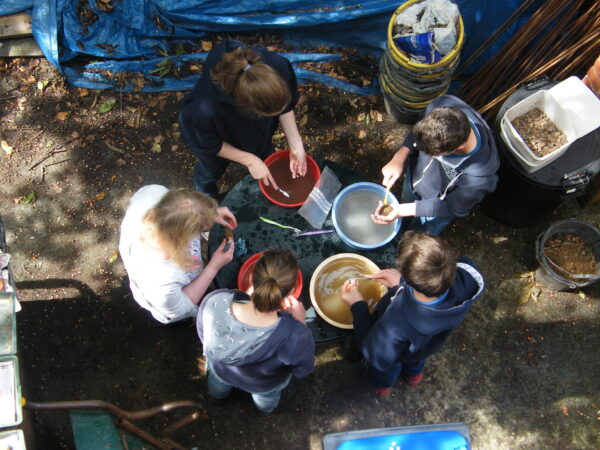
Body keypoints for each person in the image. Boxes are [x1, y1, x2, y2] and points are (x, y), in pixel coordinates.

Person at [340, 231, 484, 395]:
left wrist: (357, 304)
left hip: (397, 353)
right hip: (427, 344)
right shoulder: (467, 278)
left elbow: (376, 353)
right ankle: (414, 376)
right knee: (417, 358)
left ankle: (383, 386)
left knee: (388, 368)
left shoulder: (399, 322)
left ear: (410, 278)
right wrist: (402, 283)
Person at [179, 38, 307, 199]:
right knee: (210, 169)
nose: (279, 113)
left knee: (265, 156)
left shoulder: (277, 66)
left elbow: (286, 108)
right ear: (248, 110)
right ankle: (205, 193)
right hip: (217, 140)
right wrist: (249, 160)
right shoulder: (204, 109)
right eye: (271, 114)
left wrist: (295, 144)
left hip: (256, 135)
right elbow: (208, 143)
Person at [197, 248, 314, 414]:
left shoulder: (215, 300)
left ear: (251, 277)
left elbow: (203, 334)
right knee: (266, 399)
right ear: (290, 293)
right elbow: (303, 371)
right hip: (263, 385)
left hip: (222, 371)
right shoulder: (296, 336)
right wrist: (300, 323)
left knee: (218, 386)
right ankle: (263, 411)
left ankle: (216, 398)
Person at [372, 95, 500, 235]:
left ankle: (409, 235)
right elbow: (419, 130)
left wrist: (402, 210)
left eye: (431, 153)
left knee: (418, 233)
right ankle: (403, 224)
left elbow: (452, 207)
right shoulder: (442, 106)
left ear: (458, 148)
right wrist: (399, 157)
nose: (419, 148)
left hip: (437, 205)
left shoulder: (478, 179)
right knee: (407, 203)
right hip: (415, 179)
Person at [119, 185, 237, 324]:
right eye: (199, 228)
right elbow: (182, 306)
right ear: (180, 241)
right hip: (171, 306)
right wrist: (213, 267)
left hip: (184, 273)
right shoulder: (160, 282)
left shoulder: (154, 193)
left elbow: (182, 212)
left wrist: (209, 213)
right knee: (180, 319)